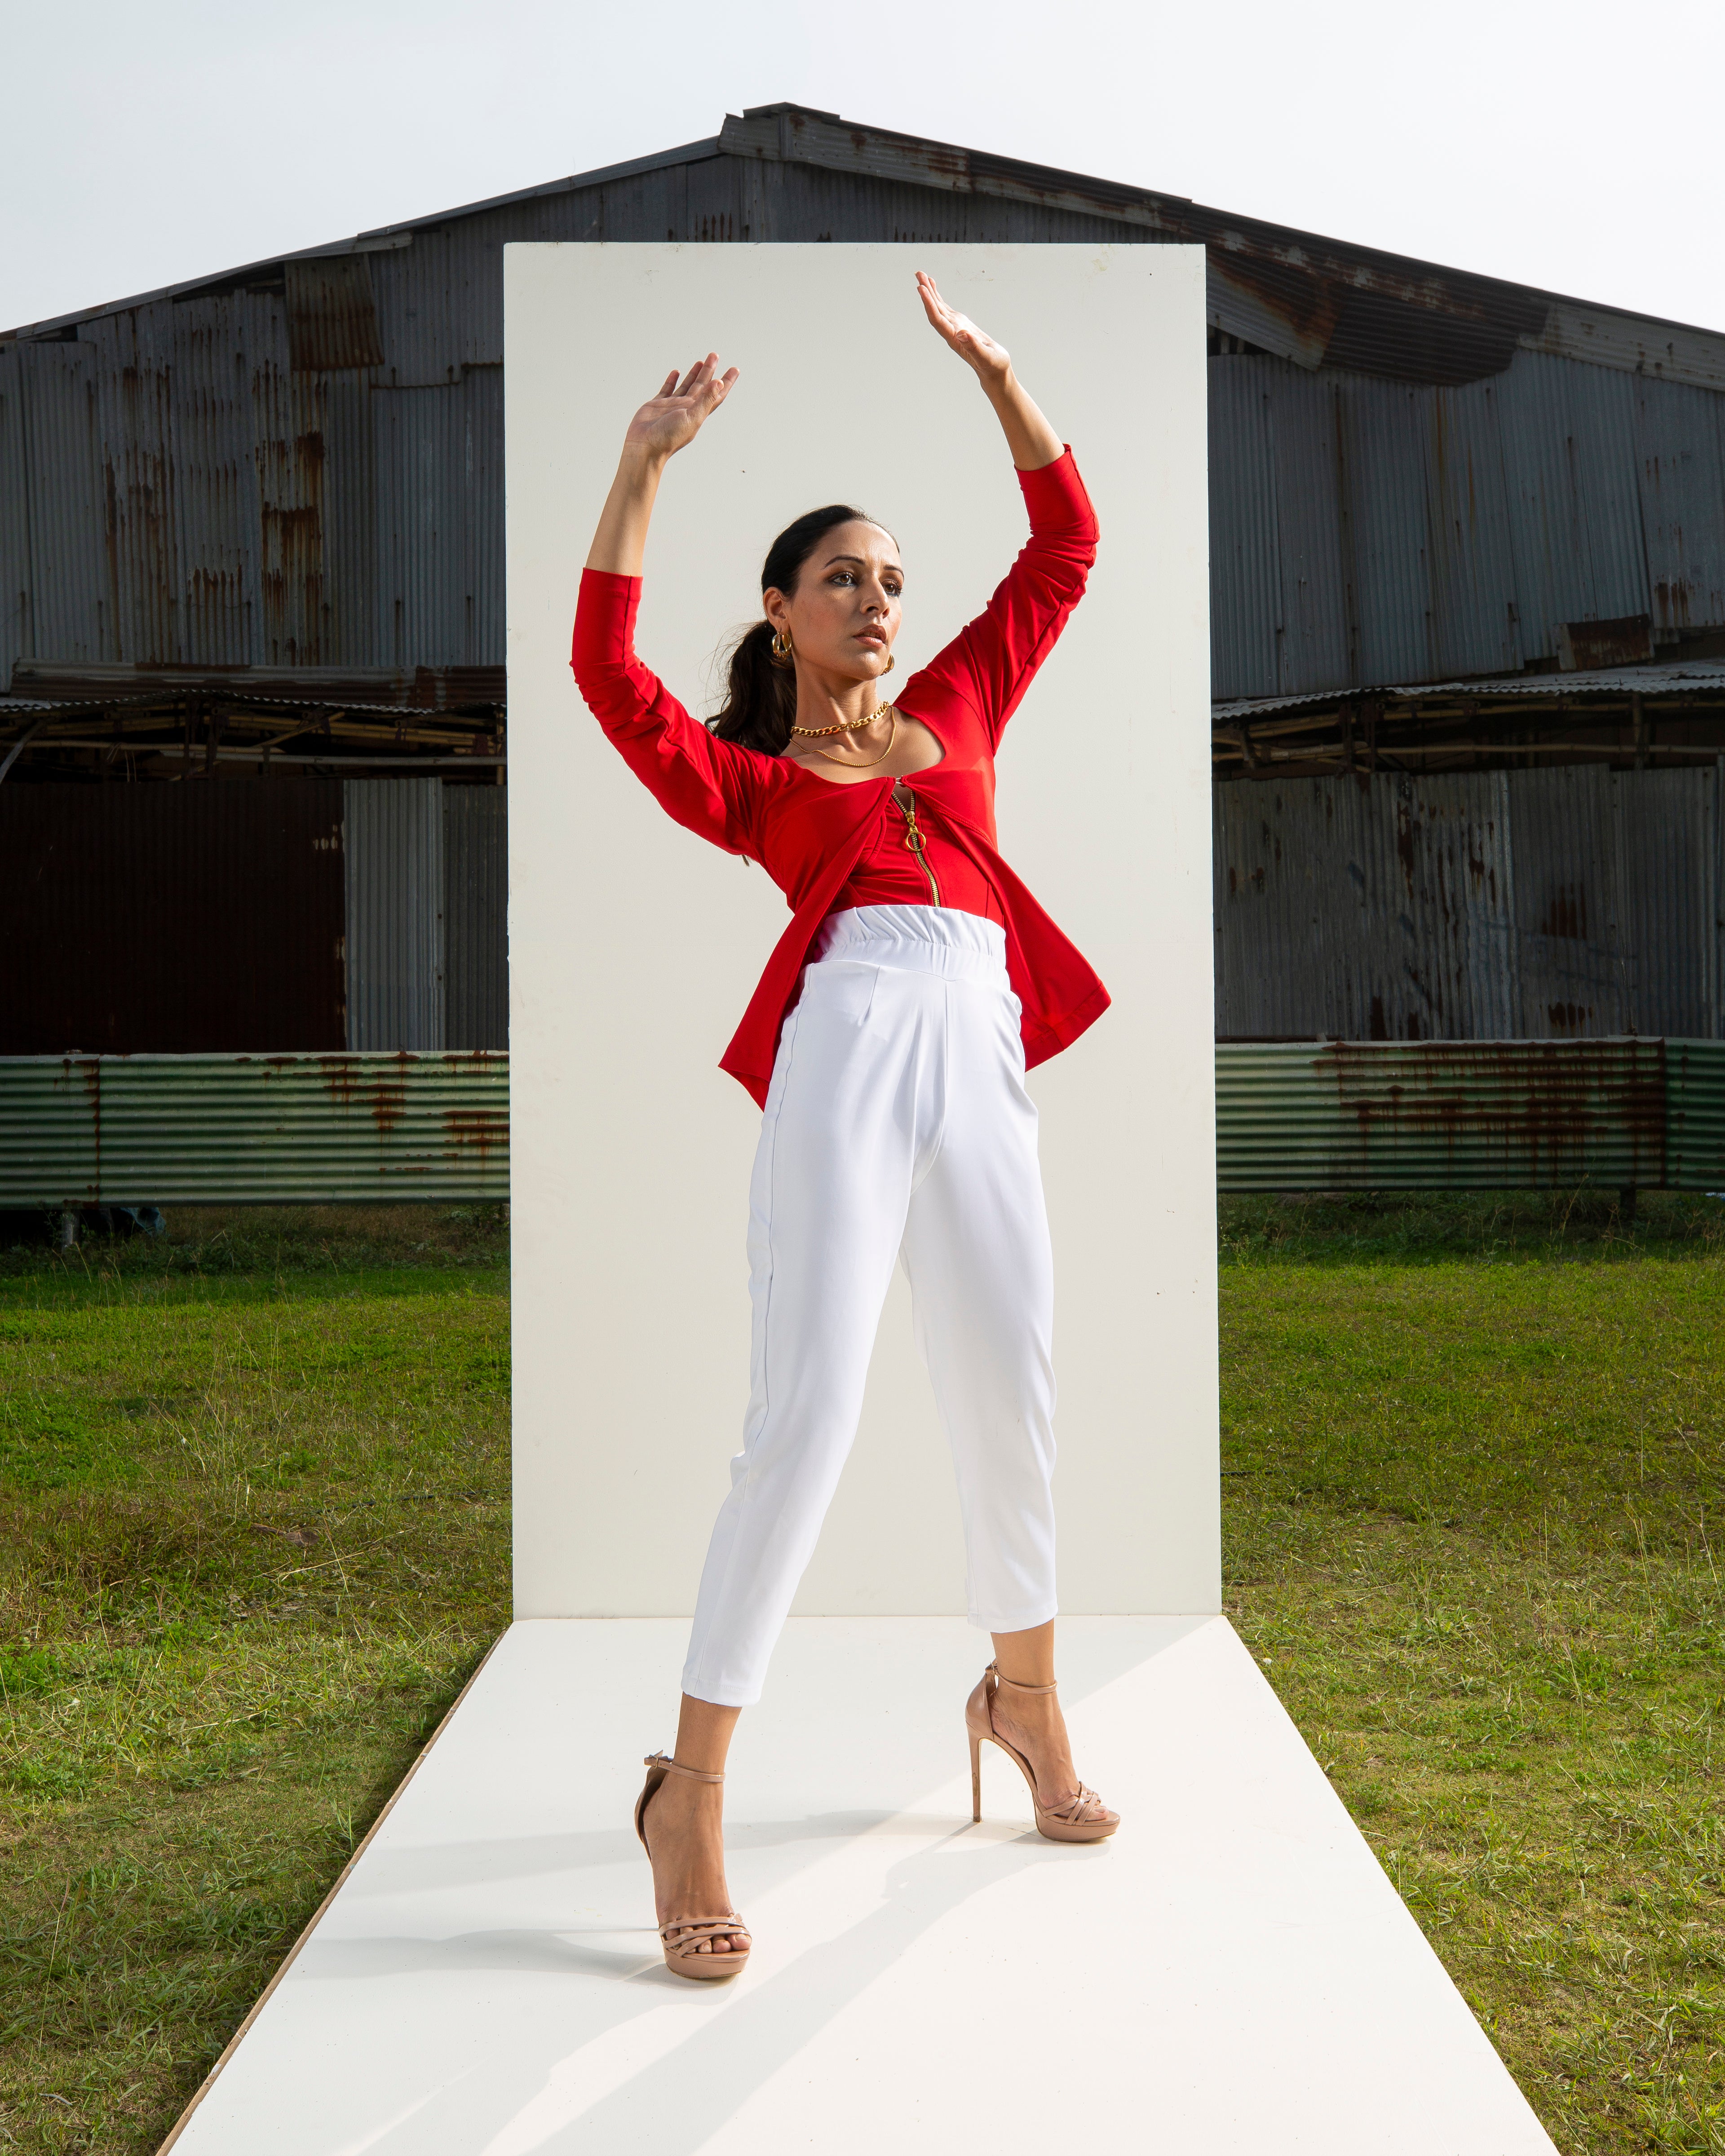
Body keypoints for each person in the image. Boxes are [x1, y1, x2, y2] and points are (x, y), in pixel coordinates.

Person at [572, 271, 1118, 1983]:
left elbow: (1067, 550)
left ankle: (1024, 1695)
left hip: (984, 1038)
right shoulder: (747, 780)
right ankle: (692, 1795)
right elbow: (604, 670)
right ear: (784, 610)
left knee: (1009, 1388)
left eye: (892, 578)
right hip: (850, 1049)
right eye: (844, 578)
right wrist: (642, 461)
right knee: (804, 1416)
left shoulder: (960, 701)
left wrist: (1004, 376)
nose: (879, 599)